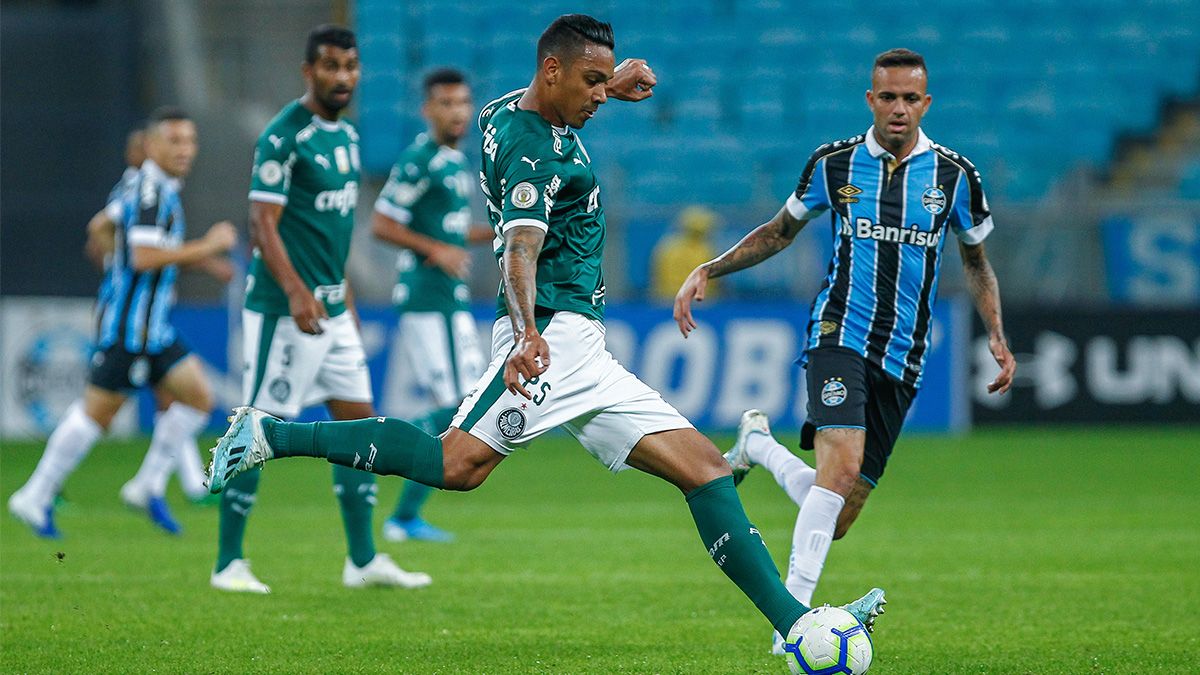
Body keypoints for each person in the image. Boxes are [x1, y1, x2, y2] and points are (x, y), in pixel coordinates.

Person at [206, 14, 885, 647]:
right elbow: (518, 248)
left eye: (603, 81)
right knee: (456, 463)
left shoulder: (506, 113)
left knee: (706, 470)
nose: (599, 96)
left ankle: (798, 629)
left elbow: (532, 103)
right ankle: (268, 433)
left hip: (584, 348)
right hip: (552, 336)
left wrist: (608, 86)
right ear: (554, 73)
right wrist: (528, 332)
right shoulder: (534, 155)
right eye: (591, 82)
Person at [674, 48, 1015, 652]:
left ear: (926, 103)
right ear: (870, 100)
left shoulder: (955, 177)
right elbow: (780, 231)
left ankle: (759, 446)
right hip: (838, 334)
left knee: (838, 513)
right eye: (888, 97)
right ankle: (794, 626)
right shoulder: (834, 165)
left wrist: (995, 333)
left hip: (904, 355)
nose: (900, 109)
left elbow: (976, 262)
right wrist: (712, 266)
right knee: (840, 469)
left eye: (911, 98)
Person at [210, 24, 431, 594]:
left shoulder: (348, 137)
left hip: (331, 310)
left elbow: (330, 231)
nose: (343, 77)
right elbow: (262, 223)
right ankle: (227, 562)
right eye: (331, 66)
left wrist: (344, 296)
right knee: (257, 428)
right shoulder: (285, 135)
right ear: (309, 72)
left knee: (359, 426)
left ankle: (362, 561)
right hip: (284, 310)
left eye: (351, 67)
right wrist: (295, 290)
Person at [7, 107, 237, 538]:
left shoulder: (145, 185)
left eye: (190, 141)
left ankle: (147, 484)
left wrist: (115, 267)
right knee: (97, 416)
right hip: (131, 330)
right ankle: (34, 495)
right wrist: (205, 247)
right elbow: (145, 257)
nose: (185, 150)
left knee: (198, 398)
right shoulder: (151, 191)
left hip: (153, 329)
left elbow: (100, 226)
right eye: (174, 141)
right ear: (150, 146)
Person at [372, 67, 493, 543]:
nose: (456, 111)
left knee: (462, 405)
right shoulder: (420, 158)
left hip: (449, 300)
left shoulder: (451, 161)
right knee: (454, 408)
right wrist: (434, 250)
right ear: (428, 110)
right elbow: (382, 223)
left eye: (462, 102)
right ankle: (398, 504)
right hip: (427, 300)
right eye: (446, 103)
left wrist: (506, 233)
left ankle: (405, 513)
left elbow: (452, 234)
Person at [85, 125, 226, 516]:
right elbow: (102, 231)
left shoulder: (154, 190)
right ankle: (42, 492)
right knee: (100, 412)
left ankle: (162, 483)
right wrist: (120, 265)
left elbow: (143, 245)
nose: (182, 152)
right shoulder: (140, 188)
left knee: (182, 400)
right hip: (131, 321)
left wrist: (207, 262)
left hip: (150, 320)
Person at [650, 205, 720, 302]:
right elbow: (715, 282)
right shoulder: (706, 250)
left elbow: (654, 277)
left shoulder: (668, 246)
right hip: (700, 301)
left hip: (667, 299)